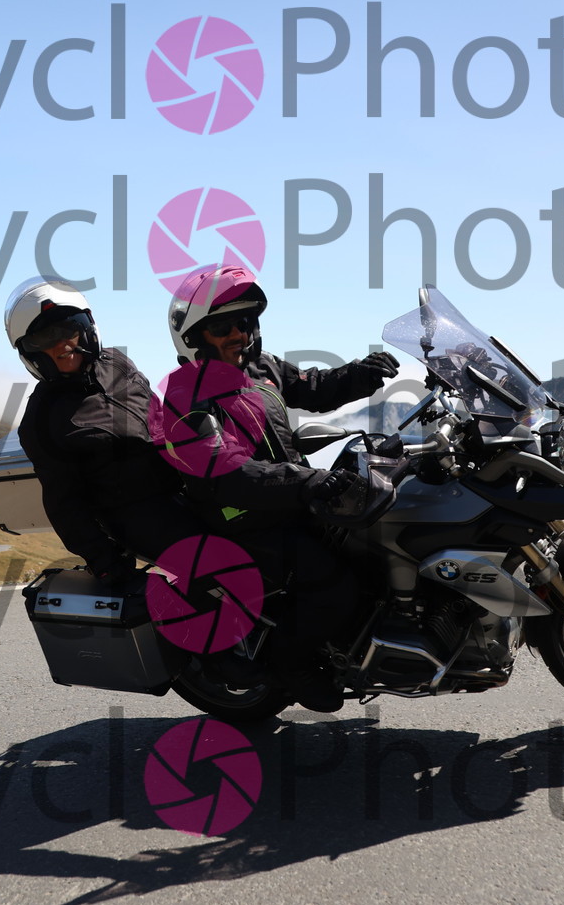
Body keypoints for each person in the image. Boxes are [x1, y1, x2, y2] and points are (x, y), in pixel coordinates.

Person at [162, 264, 401, 711]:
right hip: (241, 517)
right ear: (192, 337)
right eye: (222, 327)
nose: (239, 333)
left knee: (376, 549)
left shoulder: (260, 366)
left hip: (290, 497)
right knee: (333, 585)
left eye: (245, 321)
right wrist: (308, 481)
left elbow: (313, 386)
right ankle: (292, 664)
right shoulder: (184, 398)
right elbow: (226, 471)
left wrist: (361, 374)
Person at [6, 276, 201, 582]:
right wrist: (107, 563)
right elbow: (65, 505)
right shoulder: (40, 421)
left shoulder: (117, 363)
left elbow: (158, 419)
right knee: (219, 563)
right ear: (30, 352)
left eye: (68, 330)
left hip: (186, 485)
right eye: (44, 339)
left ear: (86, 329)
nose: (62, 344)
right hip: (136, 515)